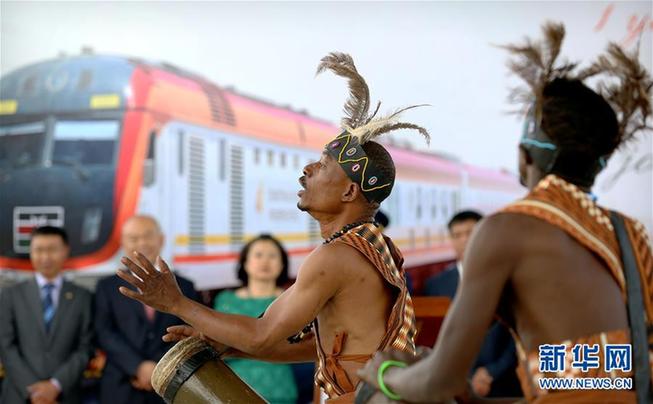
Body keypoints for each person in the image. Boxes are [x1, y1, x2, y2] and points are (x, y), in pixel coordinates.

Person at [357, 23, 653, 403]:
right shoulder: (628, 233)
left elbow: (437, 386)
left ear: (524, 155)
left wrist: (383, 372)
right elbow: (594, 378)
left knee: (380, 398)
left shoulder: (507, 230)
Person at [116, 52, 429, 403]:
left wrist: (176, 302)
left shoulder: (337, 255)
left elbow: (263, 333)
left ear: (349, 191)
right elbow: (316, 345)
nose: (307, 169)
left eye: (323, 165)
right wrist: (233, 348)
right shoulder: (369, 245)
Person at [94, 215, 199, 404]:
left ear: (161, 239)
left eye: (148, 236)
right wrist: (137, 367)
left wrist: (157, 367)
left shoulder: (186, 287)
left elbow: (191, 331)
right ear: (123, 243)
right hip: (121, 385)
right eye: (134, 238)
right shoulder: (106, 287)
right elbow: (104, 333)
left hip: (170, 385)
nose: (142, 243)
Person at [424, 210, 521, 398]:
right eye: (457, 235)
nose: (464, 240)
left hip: (503, 381)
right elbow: (436, 338)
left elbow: (518, 334)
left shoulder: (508, 281)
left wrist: (492, 372)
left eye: (470, 233)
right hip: (453, 383)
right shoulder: (436, 284)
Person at [0, 226, 94, 404]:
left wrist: (55, 385)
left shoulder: (83, 297)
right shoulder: (11, 295)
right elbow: (5, 346)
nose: (45, 257)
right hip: (19, 395)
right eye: (39, 250)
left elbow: (85, 347)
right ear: (30, 252)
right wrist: (34, 389)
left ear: (65, 251)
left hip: (65, 395)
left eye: (52, 249)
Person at [213, 234, 298, 404]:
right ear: (245, 262)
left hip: (280, 388)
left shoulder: (292, 299)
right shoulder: (226, 300)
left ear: (282, 264)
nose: (265, 261)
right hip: (232, 389)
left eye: (272, 256)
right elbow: (216, 345)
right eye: (258, 255)